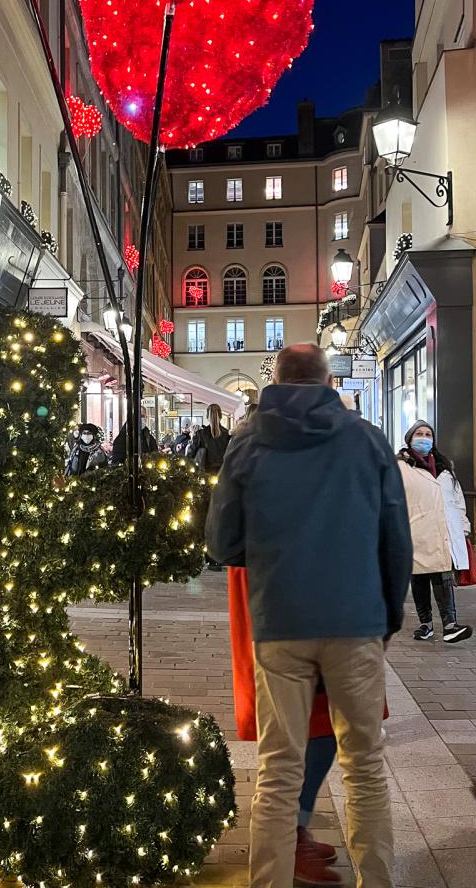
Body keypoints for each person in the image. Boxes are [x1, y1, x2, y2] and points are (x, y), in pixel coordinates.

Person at [206, 343, 413, 888]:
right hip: (356, 619)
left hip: (281, 622)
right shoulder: (366, 439)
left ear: (275, 379)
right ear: (328, 382)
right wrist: (386, 617)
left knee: (278, 770)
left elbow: (223, 542)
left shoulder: (247, 441)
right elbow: (396, 540)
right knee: (365, 765)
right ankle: (378, 880)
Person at [228, 567, 342, 886]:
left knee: (325, 723)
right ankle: (284, 843)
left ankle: (293, 832)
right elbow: (224, 538)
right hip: (279, 588)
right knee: (287, 741)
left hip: (319, 583)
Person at [396, 421, 472, 644]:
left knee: (443, 576)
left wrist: (463, 526)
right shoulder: (400, 467)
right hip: (416, 529)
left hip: (445, 530)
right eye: (419, 434)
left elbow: (456, 500)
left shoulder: (444, 467)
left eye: (428, 434)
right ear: (409, 439)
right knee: (419, 578)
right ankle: (426, 624)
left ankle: (450, 625)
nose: (424, 437)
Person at [189, 404, 231, 570]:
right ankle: (220, 556)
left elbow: (191, 455)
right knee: (220, 519)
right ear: (221, 416)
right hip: (222, 480)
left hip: (205, 479)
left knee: (205, 518)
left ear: (207, 416)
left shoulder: (201, 434)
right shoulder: (227, 434)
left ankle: (208, 556)